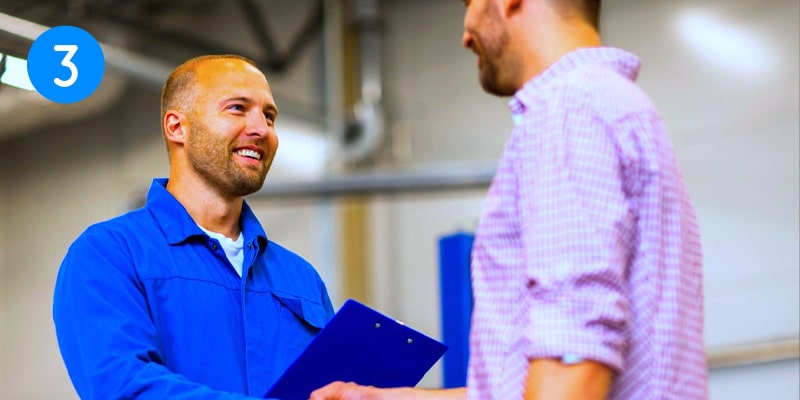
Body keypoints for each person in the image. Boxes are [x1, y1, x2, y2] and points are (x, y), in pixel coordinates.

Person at [310, 0, 706, 399]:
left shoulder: (567, 110)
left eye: (470, 4)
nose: (465, 35)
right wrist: (381, 397)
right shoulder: (614, 106)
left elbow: (573, 365)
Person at [53, 54, 335, 399]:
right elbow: (124, 388)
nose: (262, 129)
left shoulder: (301, 278)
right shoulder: (110, 255)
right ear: (177, 127)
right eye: (237, 108)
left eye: (269, 116)